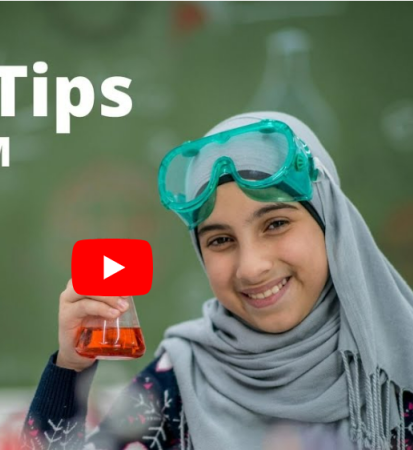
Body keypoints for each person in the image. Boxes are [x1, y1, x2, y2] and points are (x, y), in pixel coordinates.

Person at [21, 112, 413, 450]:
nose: (251, 268)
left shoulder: (401, 368)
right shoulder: (178, 379)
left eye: (275, 224)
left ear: (332, 225)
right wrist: (70, 367)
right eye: (221, 240)